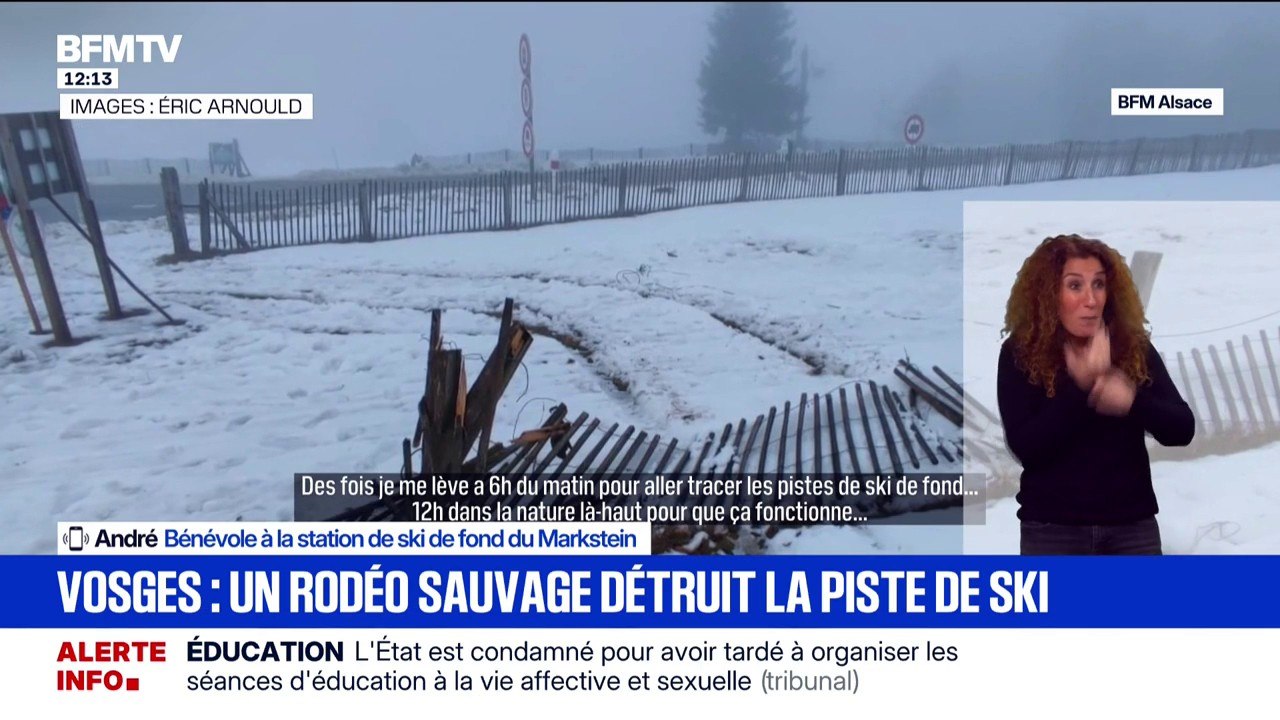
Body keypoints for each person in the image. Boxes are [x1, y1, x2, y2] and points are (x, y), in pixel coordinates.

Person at [996, 234, 1195, 555]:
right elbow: (1026, 447)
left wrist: (1132, 400)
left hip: (1132, 528)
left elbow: (1182, 430)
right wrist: (1080, 387)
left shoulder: (1131, 347)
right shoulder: (1021, 353)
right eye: (1075, 286)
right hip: (1053, 531)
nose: (1091, 299)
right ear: (1048, 294)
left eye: (1099, 284)